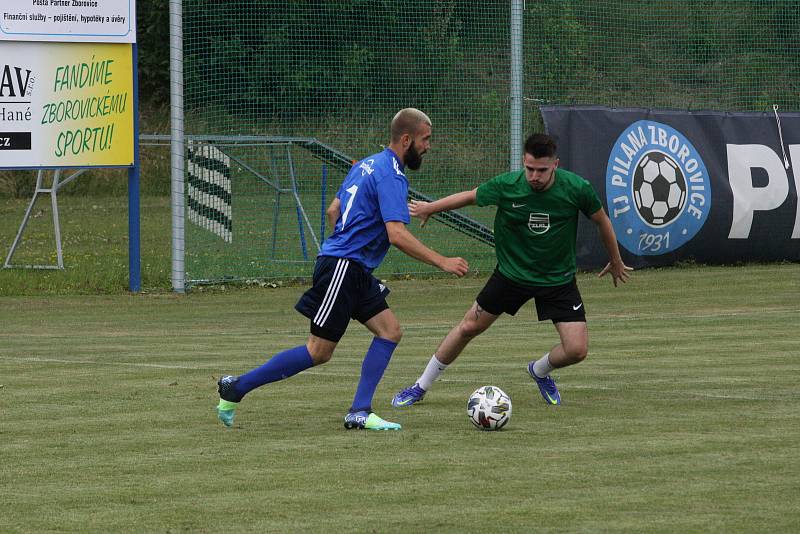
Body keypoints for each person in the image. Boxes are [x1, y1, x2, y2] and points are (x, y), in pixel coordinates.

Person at [216, 108, 468, 430]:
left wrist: (347, 245)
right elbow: (397, 234)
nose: (428, 147)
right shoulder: (391, 174)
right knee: (318, 351)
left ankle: (360, 411)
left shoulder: (366, 164)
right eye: (425, 139)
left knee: (390, 331)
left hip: (352, 267)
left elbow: (334, 209)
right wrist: (442, 261)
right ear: (406, 139)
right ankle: (236, 388)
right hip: (344, 266)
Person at [391, 133, 631, 408]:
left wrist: (615, 259)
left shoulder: (577, 188)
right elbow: (470, 197)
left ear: (556, 165)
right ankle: (420, 387)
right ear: (523, 163)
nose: (534, 176)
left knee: (577, 350)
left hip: (557, 280)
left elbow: (602, 221)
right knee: (468, 327)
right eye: (529, 169)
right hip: (511, 276)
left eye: (541, 170)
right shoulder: (507, 186)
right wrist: (431, 208)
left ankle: (539, 370)